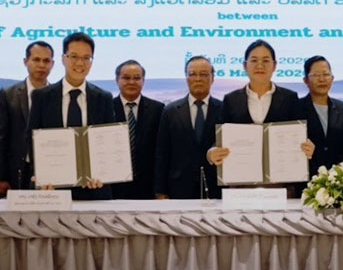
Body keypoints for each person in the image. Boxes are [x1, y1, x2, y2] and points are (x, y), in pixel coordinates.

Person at [208, 40, 315, 185]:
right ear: (245, 65)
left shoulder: (290, 98)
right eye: (254, 60)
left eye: (265, 60)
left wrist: (307, 146)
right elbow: (220, 137)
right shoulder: (231, 99)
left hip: (281, 183)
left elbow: (300, 135)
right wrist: (212, 152)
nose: (260, 65)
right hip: (240, 183)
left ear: (274, 65)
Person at [27, 31, 116, 200]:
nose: (80, 63)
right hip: (52, 190)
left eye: (86, 58)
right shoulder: (42, 97)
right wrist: (40, 173)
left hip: (94, 190)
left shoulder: (103, 98)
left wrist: (103, 173)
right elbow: (32, 138)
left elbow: (108, 143)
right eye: (74, 56)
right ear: (63, 59)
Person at [0, 40, 55, 197]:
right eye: (36, 60)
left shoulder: (58, 95)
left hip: (52, 170)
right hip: (17, 171)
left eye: (46, 61)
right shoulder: (9, 94)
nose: (41, 65)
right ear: (26, 61)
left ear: (53, 64)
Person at [155, 56, 223, 199]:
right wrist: (160, 191)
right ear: (186, 78)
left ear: (212, 78)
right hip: (179, 189)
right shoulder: (170, 111)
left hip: (216, 188)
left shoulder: (224, 109)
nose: (198, 79)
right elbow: (162, 154)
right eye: (192, 74)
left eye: (204, 74)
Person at [111, 59, 164, 199]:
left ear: (143, 81)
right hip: (114, 186)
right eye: (126, 78)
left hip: (148, 187)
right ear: (117, 80)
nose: (131, 82)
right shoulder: (107, 108)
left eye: (136, 78)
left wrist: (160, 189)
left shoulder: (158, 109)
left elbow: (162, 152)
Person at [298, 56, 343, 173]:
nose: (322, 79)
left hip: (338, 178)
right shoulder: (296, 108)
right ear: (306, 80)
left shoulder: (342, 108)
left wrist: (337, 171)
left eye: (326, 74)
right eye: (316, 75)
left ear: (332, 78)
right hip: (306, 176)